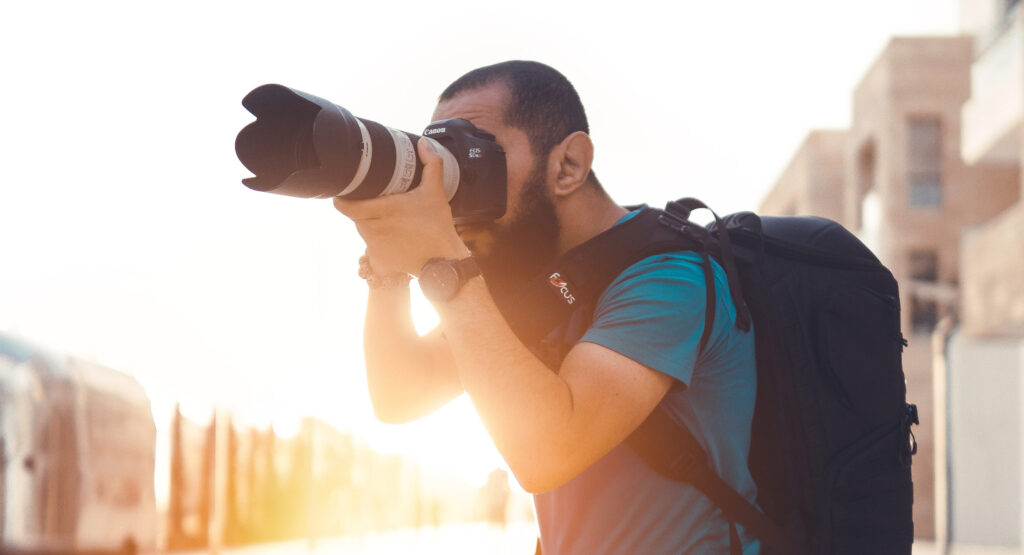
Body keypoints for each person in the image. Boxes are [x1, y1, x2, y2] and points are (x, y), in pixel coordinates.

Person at [334, 60, 759, 554]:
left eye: (476, 156)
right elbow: (401, 395)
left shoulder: (668, 278)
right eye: (443, 161)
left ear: (567, 166)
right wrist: (386, 270)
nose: (453, 191)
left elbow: (546, 452)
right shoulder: (524, 280)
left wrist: (440, 258)